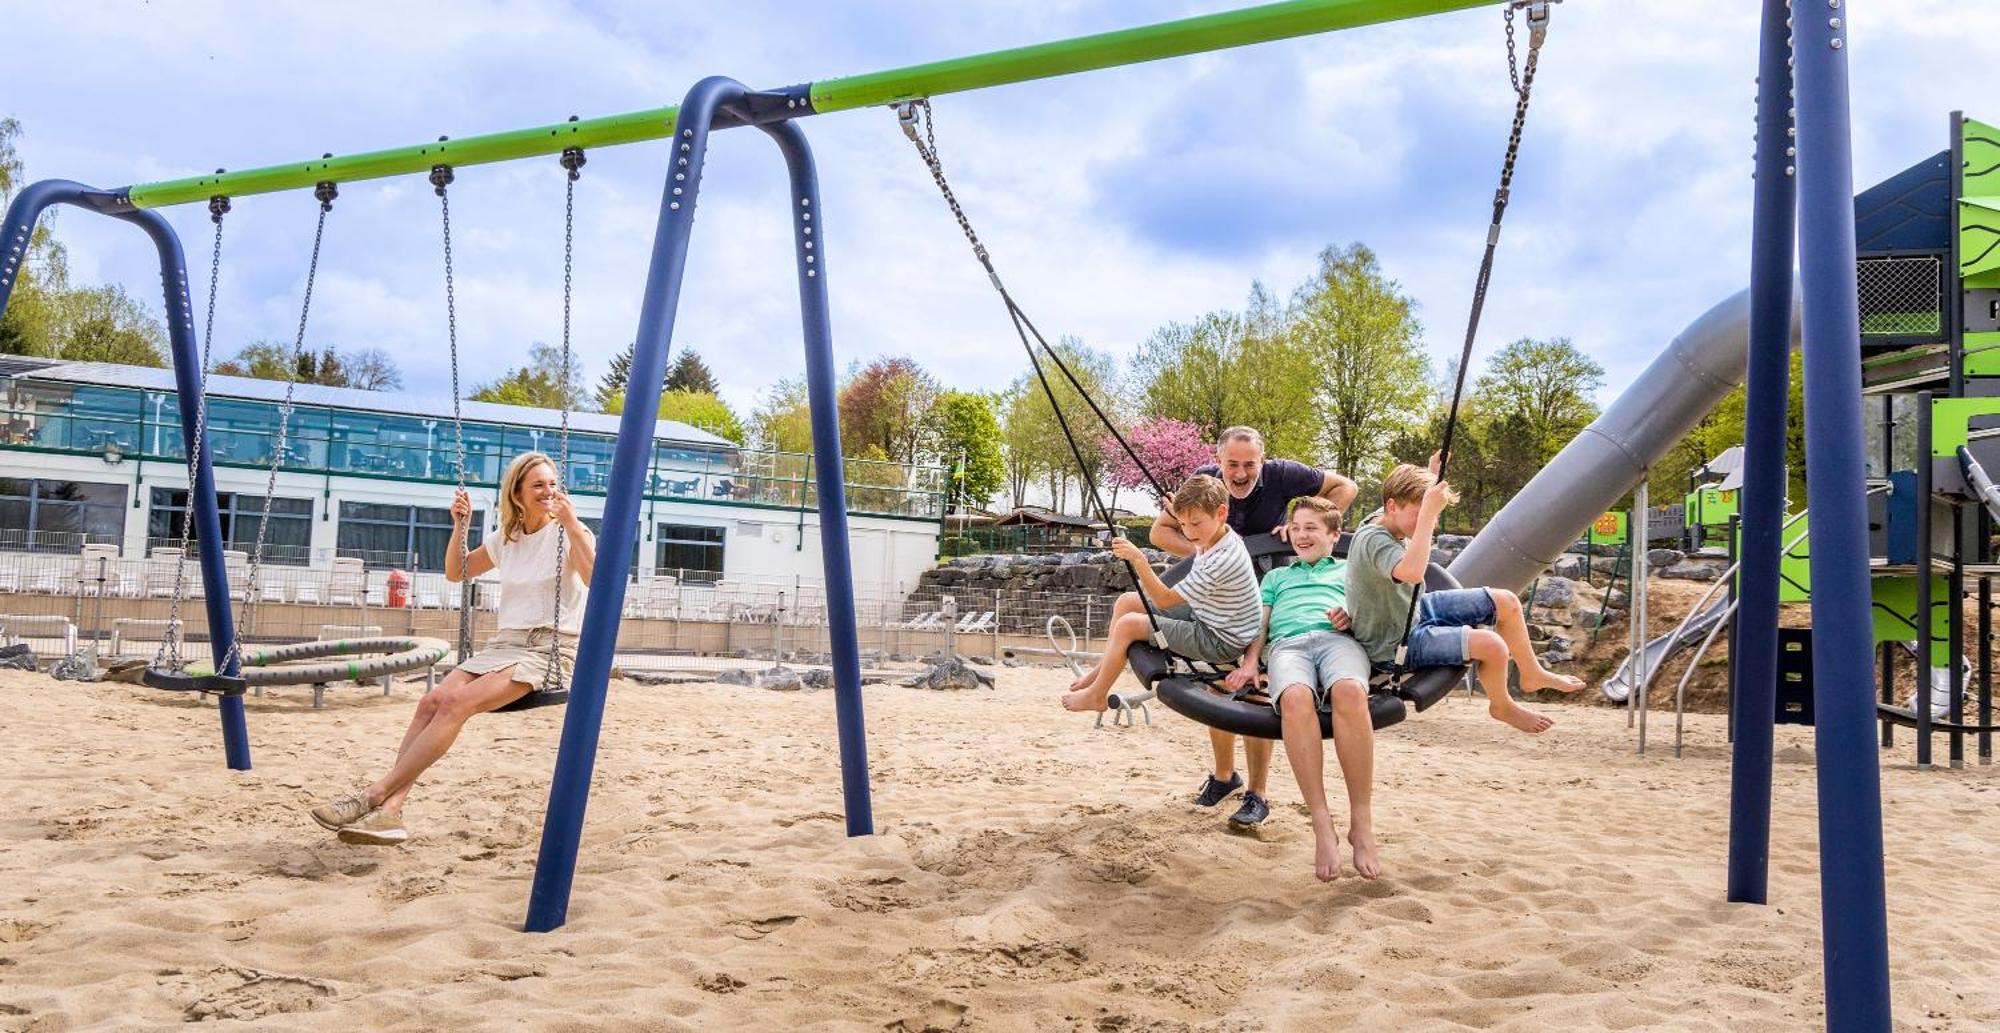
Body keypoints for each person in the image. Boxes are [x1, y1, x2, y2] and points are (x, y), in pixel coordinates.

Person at [307, 451, 597, 845]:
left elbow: (597, 578)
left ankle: (373, 796)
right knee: (430, 702)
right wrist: (461, 526)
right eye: (538, 486)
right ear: (516, 494)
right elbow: (456, 571)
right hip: (505, 643)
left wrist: (572, 523)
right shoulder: (507, 539)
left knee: (455, 704)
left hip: (548, 650)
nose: (548, 492)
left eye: (552, 484)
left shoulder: (570, 531)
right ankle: (392, 811)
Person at [1150, 426, 1357, 825]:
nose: (1240, 473)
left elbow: (1344, 488)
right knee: (1216, 681)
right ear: (1219, 461)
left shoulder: (1284, 475)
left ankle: (1257, 793)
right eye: (1232, 464)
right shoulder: (1205, 482)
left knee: (1255, 685)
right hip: (1221, 593)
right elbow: (1162, 530)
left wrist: (1300, 525)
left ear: (1263, 461)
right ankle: (1224, 776)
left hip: (1270, 588)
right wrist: (1208, 548)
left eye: (1249, 464)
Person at [1344, 455, 1584, 736]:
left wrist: (1432, 474)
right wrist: (1428, 518)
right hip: (1393, 643)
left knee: (1506, 601)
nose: (1424, 520)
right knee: (1493, 646)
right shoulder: (1373, 538)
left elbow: (1408, 498)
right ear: (1392, 507)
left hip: (1414, 608)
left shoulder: (1388, 512)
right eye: (1418, 514)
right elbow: (1411, 572)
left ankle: (1531, 673)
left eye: (1426, 513)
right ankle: (1501, 705)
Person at [1224, 495, 1378, 879]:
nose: (1302, 535)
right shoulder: (1277, 577)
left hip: (1338, 641)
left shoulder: (1349, 572)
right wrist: (1249, 662)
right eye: (1296, 528)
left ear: (1334, 535)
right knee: (1295, 698)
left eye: (1312, 528)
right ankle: (1322, 823)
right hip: (1288, 645)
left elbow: (1376, 615)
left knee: (1349, 691)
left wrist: (1352, 619)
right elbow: (1260, 625)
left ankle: (1361, 822)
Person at [1062, 475, 1262, 718]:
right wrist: (1181, 510)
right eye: (1183, 524)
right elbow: (1195, 514)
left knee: (1128, 626)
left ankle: (1098, 695)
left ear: (1221, 513)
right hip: (1210, 613)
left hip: (1220, 640)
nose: (1188, 532)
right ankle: (1100, 671)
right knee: (1127, 602)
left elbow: (1164, 600)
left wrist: (1139, 560)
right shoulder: (1218, 532)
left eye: (1195, 524)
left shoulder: (1222, 561)